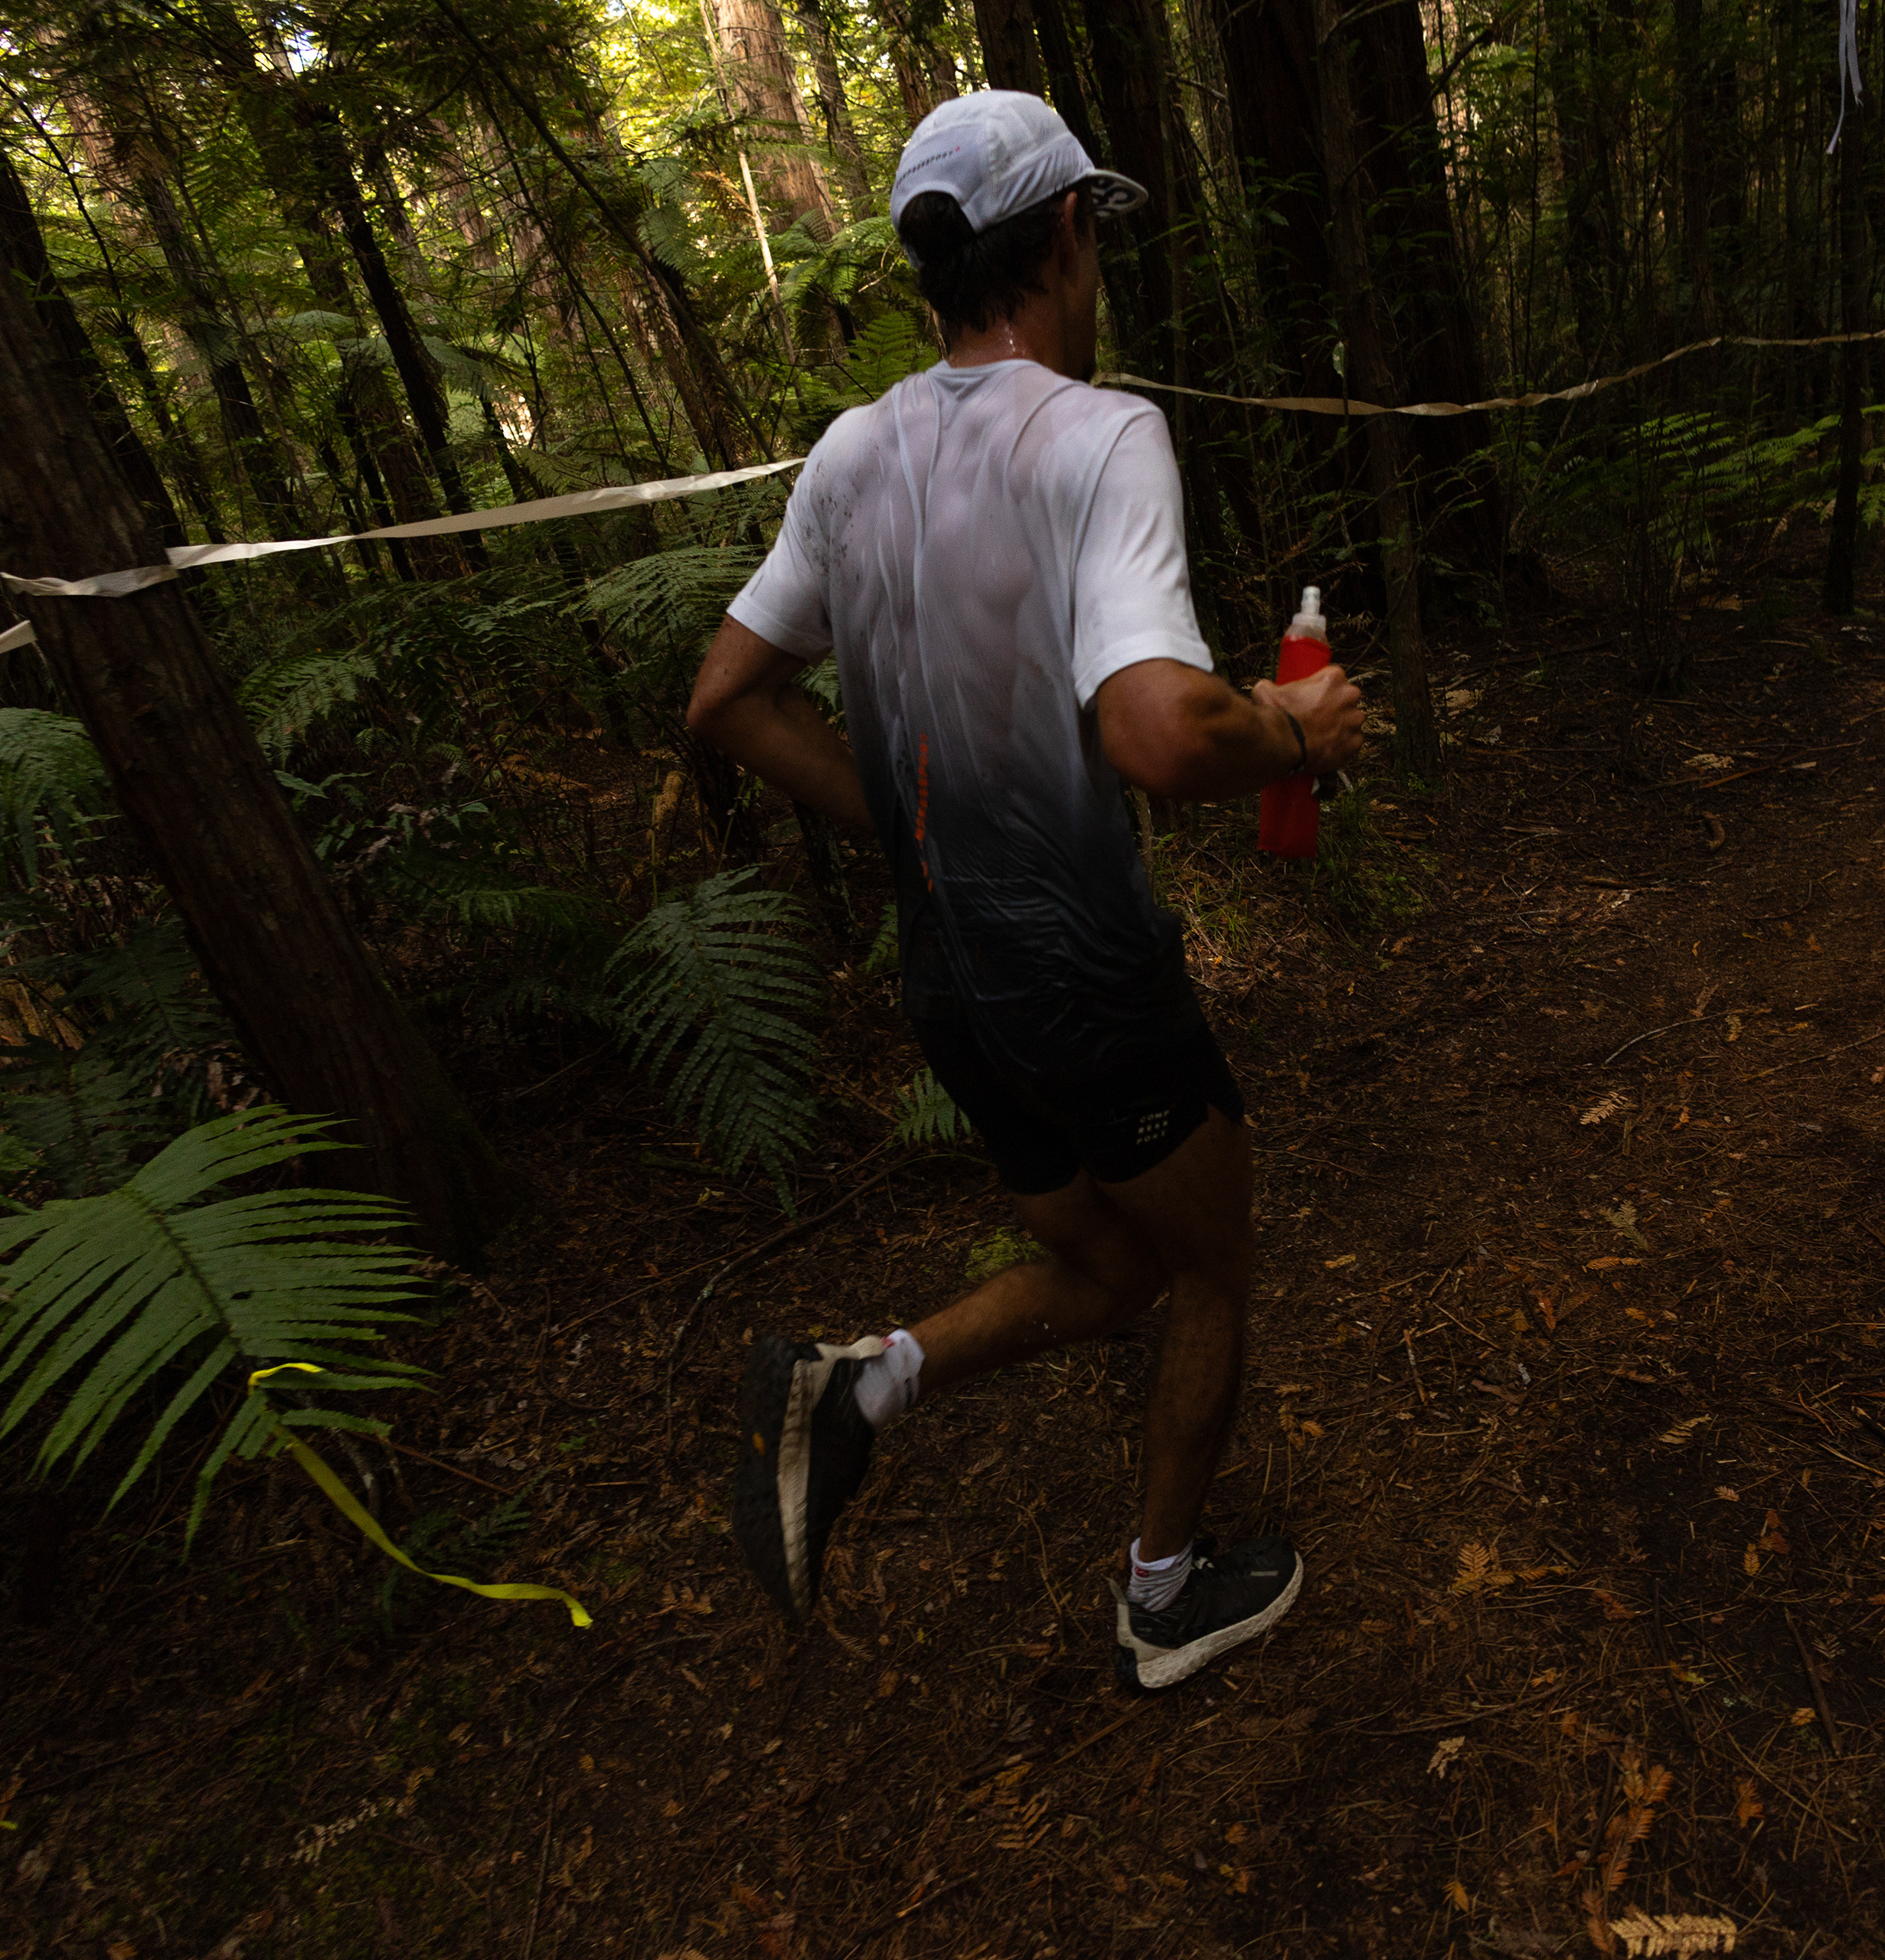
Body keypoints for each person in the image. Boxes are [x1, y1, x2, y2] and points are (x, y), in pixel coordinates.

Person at [686, 90, 1365, 1691]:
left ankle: (855, 1388)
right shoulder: (1102, 433)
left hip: (950, 976)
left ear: (934, 267)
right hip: (1080, 973)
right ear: (1066, 234)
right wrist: (1297, 729)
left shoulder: (851, 451)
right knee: (1206, 1265)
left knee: (1118, 1263)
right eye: (1095, 234)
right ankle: (1163, 1595)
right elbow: (1151, 722)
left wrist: (908, 835)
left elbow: (724, 693)